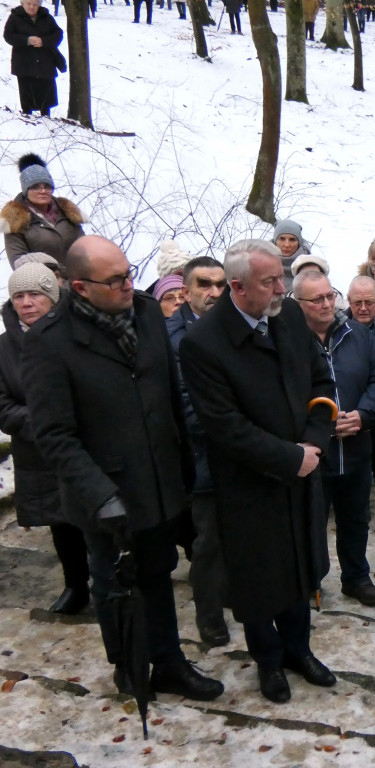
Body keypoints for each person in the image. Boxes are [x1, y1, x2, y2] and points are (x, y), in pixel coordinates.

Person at [23, 235, 224, 702]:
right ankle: (129, 666)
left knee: (159, 571)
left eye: (129, 273)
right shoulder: (48, 344)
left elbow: (170, 391)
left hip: (157, 479)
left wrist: (181, 463)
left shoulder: (148, 312)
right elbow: (54, 434)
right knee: (115, 585)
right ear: (80, 287)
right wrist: (100, 495)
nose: (128, 285)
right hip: (105, 494)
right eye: (115, 280)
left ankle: (170, 662)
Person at [179, 239, 336, 705]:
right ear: (237, 287)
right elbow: (225, 427)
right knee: (258, 577)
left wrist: (313, 443)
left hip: (302, 472)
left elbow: (320, 382)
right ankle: (268, 661)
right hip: (249, 484)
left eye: (281, 278)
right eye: (270, 282)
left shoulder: (286, 317)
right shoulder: (203, 344)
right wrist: (290, 458)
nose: (281, 289)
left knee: (300, 566)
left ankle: (298, 650)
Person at [293, 269, 375, 608]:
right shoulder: (288, 341)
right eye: (316, 299)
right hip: (311, 453)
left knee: (355, 517)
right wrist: (316, 427)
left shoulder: (358, 335)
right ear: (298, 303)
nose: (326, 304)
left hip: (355, 448)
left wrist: (364, 414)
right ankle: (310, 580)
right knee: (310, 522)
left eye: (329, 296)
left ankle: (356, 577)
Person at [0, 263, 90, 615]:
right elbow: (3, 405)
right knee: (62, 519)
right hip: (39, 450)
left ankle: (116, 577)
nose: (26, 302)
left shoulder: (80, 332)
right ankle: (76, 585)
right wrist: (43, 422)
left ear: (52, 298)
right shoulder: (4, 348)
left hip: (87, 441)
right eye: (18, 296)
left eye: (34, 294)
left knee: (100, 513)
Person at [164, 256, 231, 646]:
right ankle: (209, 615)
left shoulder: (232, 326)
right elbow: (186, 403)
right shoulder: (175, 337)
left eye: (220, 284)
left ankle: (232, 596)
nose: (214, 293)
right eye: (204, 285)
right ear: (184, 290)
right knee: (207, 542)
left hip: (238, 452)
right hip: (202, 456)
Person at [3, 154, 85, 269]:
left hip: (79, 281)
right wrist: (55, 278)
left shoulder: (68, 212)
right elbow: (18, 262)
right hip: (43, 283)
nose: (43, 191)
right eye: (35, 187)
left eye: (47, 186)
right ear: (26, 190)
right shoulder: (15, 219)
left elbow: (85, 248)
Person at [4, 0, 63, 117]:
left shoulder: (46, 17)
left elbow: (58, 34)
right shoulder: (15, 17)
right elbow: (8, 36)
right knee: (27, 94)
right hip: (23, 64)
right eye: (29, 4)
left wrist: (44, 41)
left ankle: (46, 119)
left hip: (45, 63)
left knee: (45, 95)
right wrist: (27, 40)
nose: (32, 7)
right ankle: (27, 118)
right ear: (23, 4)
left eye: (35, 5)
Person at [272, 219, 310, 292]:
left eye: (292, 240)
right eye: (282, 239)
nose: (287, 245)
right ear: (275, 241)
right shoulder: (261, 265)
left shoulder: (310, 267)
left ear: (299, 243)